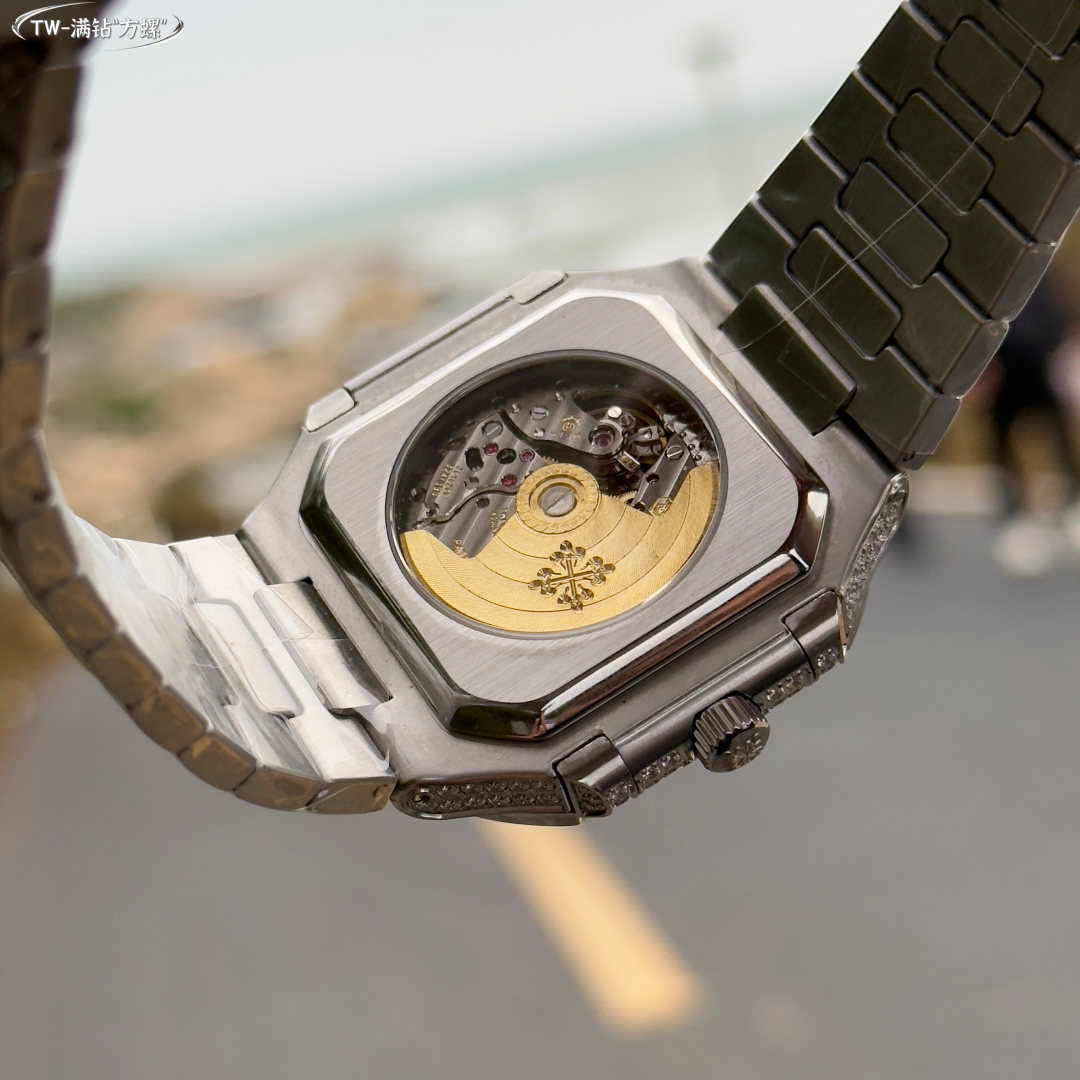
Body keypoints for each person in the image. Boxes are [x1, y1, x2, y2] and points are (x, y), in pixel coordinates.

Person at [986, 276, 1080, 576]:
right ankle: (1014, 511)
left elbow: (1057, 325)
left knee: (1059, 438)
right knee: (1003, 446)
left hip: (1039, 374)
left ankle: (1072, 504)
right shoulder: (997, 290)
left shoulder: (1040, 287)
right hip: (1008, 379)